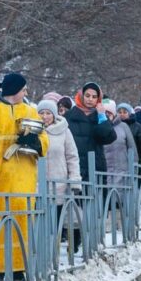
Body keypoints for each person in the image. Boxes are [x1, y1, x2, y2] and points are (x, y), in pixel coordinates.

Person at [0, 73, 49, 280]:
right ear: (14, 89)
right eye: (23, 89)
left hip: (23, 175)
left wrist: (34, 141)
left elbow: (44, 139)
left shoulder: (30, 111)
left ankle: (21, 267)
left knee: (22, 217)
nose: (26, 93)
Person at [38, 99, 81, 239]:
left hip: (59, 185)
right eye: (41, 113)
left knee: (55, 225)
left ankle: (53, 256)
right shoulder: (32, 131)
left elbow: (72, 157)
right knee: (38, 226)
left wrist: (75, 179)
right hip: (37, 185)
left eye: (48, 113)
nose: (44, 117)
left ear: (54, 115)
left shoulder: (64, 131)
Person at [64, 83, 117, 181]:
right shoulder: (69, 115)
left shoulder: (100, 115)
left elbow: (109, 137)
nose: (90, 99)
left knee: (96, 195)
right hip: (73, 166)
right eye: (87, 96)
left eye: (94, 97)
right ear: (82, 96)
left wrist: (102, 116)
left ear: (98, 99)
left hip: (95, 166)